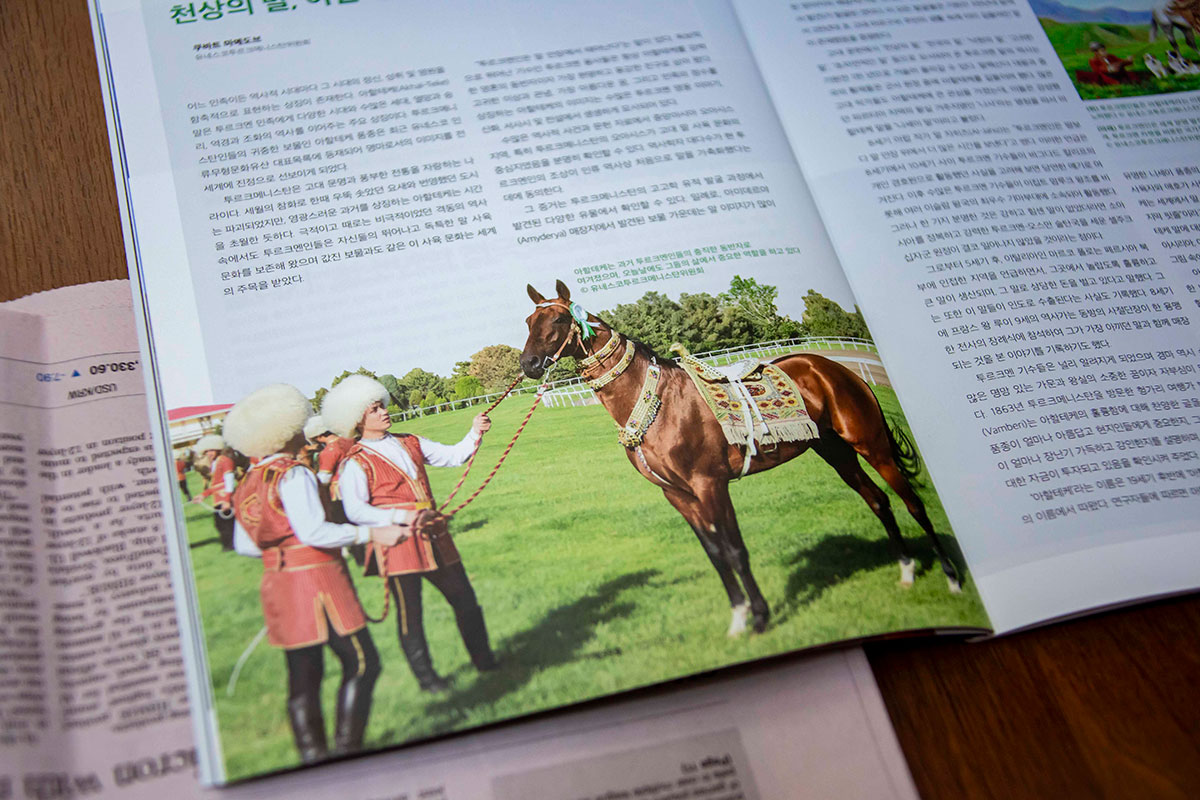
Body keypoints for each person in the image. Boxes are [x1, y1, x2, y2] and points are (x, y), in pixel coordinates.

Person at [223, 383, 408, 763]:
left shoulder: (247, 483)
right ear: (288, 430)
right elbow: (314, 532)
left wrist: (282, 552)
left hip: (278, 583)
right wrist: (372, 532)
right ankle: (347, 748)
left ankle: (314, 757)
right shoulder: (293, 474)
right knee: (361, 662)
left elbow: (244, 544)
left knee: (302, 676)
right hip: (318, 579)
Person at [322, 375, 497, 693]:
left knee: (466, 600)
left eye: (381, 406)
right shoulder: (354, 463)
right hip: (398, 541)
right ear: (357, 420)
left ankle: (486, 663)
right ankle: (428, 682)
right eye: (373, 409)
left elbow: (454, 456)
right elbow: (357, 511)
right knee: (410, 615)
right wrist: (403, 516)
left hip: (434, 534)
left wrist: (474, 431)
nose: (383, 412)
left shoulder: (410, 441)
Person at [192, 434, 236, 550]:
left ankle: (230, 545)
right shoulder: (216, 463)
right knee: (219, 524)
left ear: (217, 449)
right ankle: (228, 545)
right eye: (206, 451)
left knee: (226, 524)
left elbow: (229, 481)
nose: (208, 454)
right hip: (217, 498)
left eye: (211, 450)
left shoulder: (225, 460)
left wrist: (227, 500)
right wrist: (202, 495)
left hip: (225, 498)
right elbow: (214, 485)